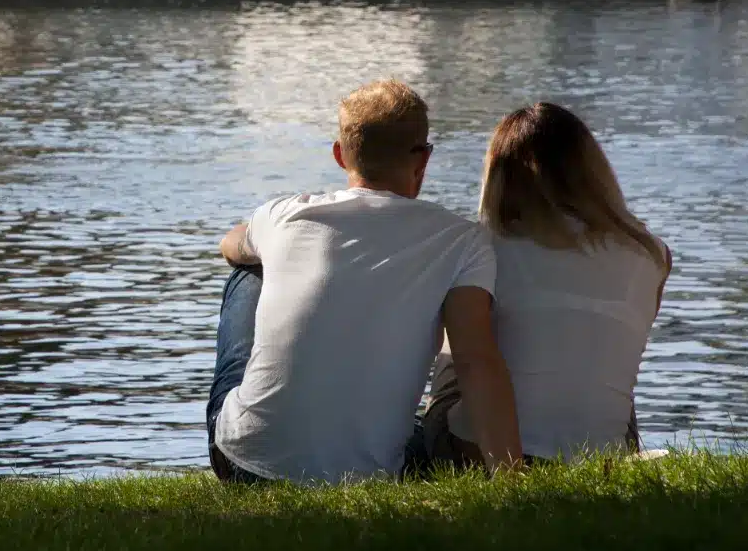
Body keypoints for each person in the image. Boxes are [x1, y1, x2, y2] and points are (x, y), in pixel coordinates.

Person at [208, 80, 522, 484]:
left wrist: (267, 246)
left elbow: (229, 245)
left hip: (244, 465)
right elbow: (475, 360)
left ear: (340, 155)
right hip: (367, 474)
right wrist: (511, 479)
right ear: (423, 159)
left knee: (249, 272)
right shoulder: (461, 241)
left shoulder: (286, 214)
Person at [423, 103, 671, 467]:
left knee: (457, 343)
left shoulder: (480, 246)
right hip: (604, 454)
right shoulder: (652, 253)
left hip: (480, 451)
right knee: (601, 351)